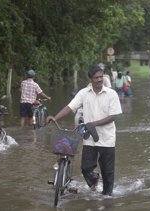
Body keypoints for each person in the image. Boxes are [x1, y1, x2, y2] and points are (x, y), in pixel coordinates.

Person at [47, 64, 122, 196]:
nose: (99, 80)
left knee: (108, 172)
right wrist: (55, 117)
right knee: (86, 168)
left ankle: (107, 199)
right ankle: (94, 180)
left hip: (107, 138)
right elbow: (70, 107)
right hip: (90, 138)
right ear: (90, 79)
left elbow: (113, 116)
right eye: (96, 77)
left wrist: (93, 124)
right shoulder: (83, 93)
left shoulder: (112, 94)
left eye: (101, 77)